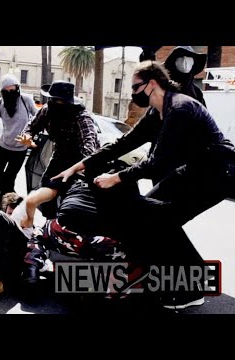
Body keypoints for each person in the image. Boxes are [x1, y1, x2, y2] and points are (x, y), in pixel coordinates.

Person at [52, 60, 235, 309]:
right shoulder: (156, 111)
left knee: (160, 219)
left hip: (217, 173)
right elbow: (124, 143)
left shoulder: (179, 108)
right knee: (146, 215)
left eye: (135, 87)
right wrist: (78, 166)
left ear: (151, 83)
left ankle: (191, 290)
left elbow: (156, 163)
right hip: (193, 170)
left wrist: (115, 178)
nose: (132, 93)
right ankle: (162, 276)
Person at [16, 80, 99, 223]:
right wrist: (27, 137)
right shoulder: (48, 109)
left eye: (59, 101)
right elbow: (31, 126)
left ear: (68, 102)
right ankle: (51, 221)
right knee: (46, 185)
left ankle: (67, 224)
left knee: (73, 196)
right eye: (52, 99)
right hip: (60, 154)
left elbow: (89, 147)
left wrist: (80, 170)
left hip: (82, 160)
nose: (54, 103)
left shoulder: (82, 117)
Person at [0, 73, 38, 209]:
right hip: (3, 146)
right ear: (2, 92)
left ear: (18, 88)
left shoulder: (26, 100)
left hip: (20, 149)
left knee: (8, 179)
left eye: (13, 90)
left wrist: (31, 137)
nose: (10, 93)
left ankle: (2, 207)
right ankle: (17, 204)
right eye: (7, 91)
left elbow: (39, 118)